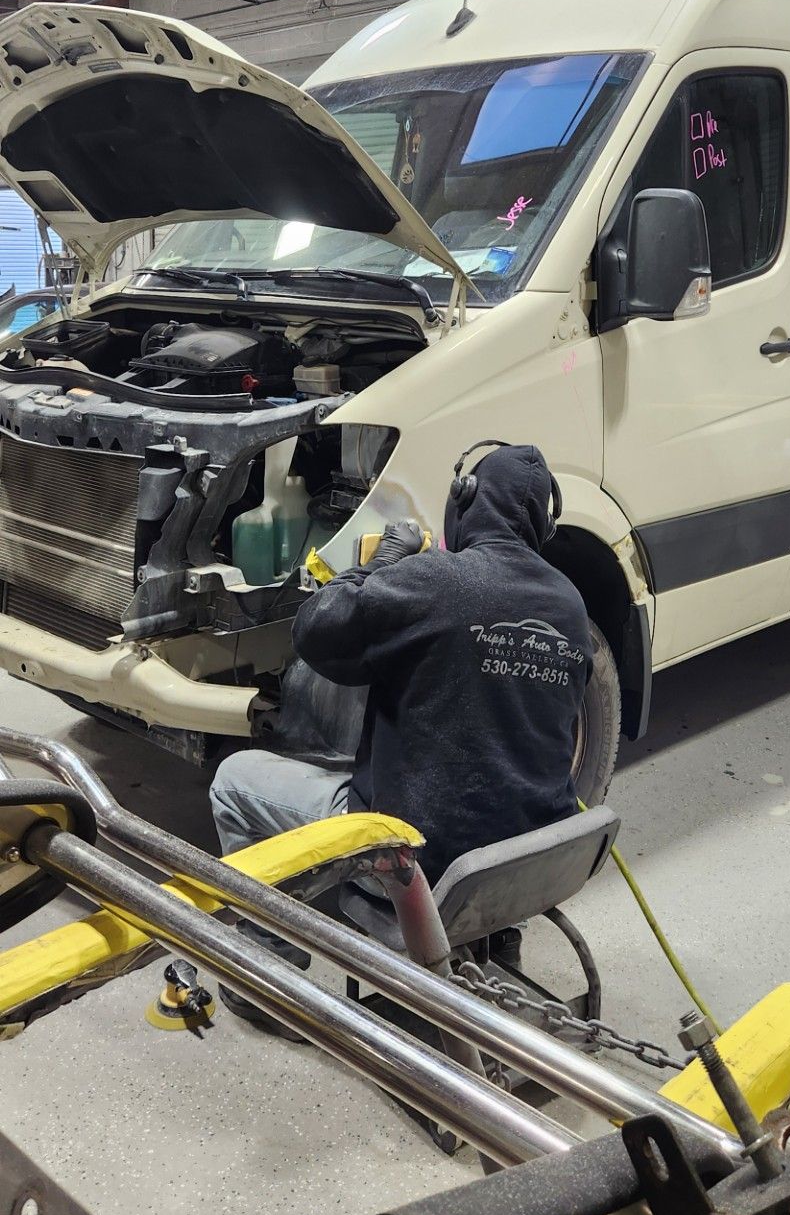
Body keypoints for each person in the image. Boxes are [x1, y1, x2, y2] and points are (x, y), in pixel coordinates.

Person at [210, 440, 595, 1027]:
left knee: (233, 782)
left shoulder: (436, 579)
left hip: (418, 860)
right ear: (542, 521)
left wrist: (385, 562)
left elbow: (317, 629)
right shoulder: (569, 604)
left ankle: (267, 973)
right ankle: (498, 935)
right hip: (526, 858)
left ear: (464, 500)